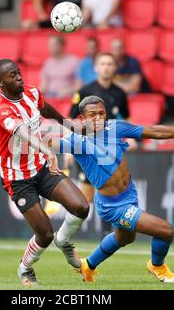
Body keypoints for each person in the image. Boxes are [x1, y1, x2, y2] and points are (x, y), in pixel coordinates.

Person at [57, 96, 174, 283]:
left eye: (102, 113)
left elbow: (154, 130)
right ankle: (157, 266)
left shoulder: (115, 128)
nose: (98, 118)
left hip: (129, 195)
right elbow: (46, 144)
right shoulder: (77, 140)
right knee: (165, 231)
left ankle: (88, 266)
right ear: (81, 118)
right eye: (92, 115)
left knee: (124, 238)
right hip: (112, 206)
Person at [0, 59, 90, 286]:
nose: (18, 77)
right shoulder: (1, 109)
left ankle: (64, 241)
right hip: (17, 177)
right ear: (0, 82)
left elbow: (46, 109)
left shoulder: (32, 93)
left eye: (18, 72)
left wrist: (69, 125)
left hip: (41, 167)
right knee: (45, 234)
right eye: (11, 75)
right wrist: (47, 150)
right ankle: (25, 268)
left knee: (81, 207)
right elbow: (23, 132)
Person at [69, 52, 133, 237]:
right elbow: (72, 119)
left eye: (110, 64)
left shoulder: (120, 93)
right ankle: (66, 233)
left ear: (115, 68)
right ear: (96, 67)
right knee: (86, 195)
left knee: (110, 189)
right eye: (102, 63)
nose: (106, 67)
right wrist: (69, 146)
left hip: (111, 150)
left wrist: (131, 137)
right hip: (89, 149)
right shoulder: (85, 91)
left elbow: (126, 118)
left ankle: (106, 234)